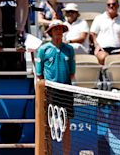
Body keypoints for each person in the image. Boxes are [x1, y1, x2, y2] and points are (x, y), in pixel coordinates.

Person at [35, 19, 74, 155]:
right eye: (55, 29)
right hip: (50, 92)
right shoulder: (43, 50)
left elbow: (72, 73)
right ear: (51, 32)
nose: (58, 31)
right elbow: (39, 75)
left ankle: (66, 154)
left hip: (66, 91)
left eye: (60, 29)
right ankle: (48, 152)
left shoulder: (69, 50)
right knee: (48, 123)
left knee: (66, 125)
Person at [90, 0, 120, 65]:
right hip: (102, 49)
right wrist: (96, 45)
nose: (111, 6)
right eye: (109, 4)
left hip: (118, 50)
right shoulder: (99, 18)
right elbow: (92, 34)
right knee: (104, 57)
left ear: (118, 6)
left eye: (113, 4)